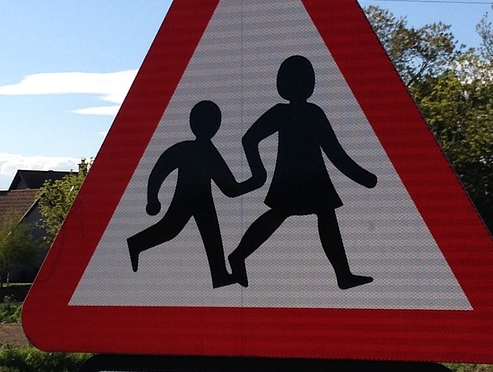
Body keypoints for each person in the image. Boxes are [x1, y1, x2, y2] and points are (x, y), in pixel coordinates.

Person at [228, 55, 377, 289]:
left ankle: (343, 275)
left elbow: (334, 151)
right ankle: (238, 256)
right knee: (290, 214)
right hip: (296, 178)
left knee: (316, 214)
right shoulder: (290, 113)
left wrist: (363, 177)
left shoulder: (310, 113)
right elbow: (249, 139)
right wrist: (259, 172)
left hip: (310, 178)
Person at [127, 100, 254, 288]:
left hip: (202, 201)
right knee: (171, 229)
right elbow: (161, 169)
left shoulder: (200, 150)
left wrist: (152, 198)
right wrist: (152, 198)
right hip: (187, 199)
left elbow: (229, 189)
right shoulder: (194, 150)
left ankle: (219, 274)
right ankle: (135, 244)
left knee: (208, 234)